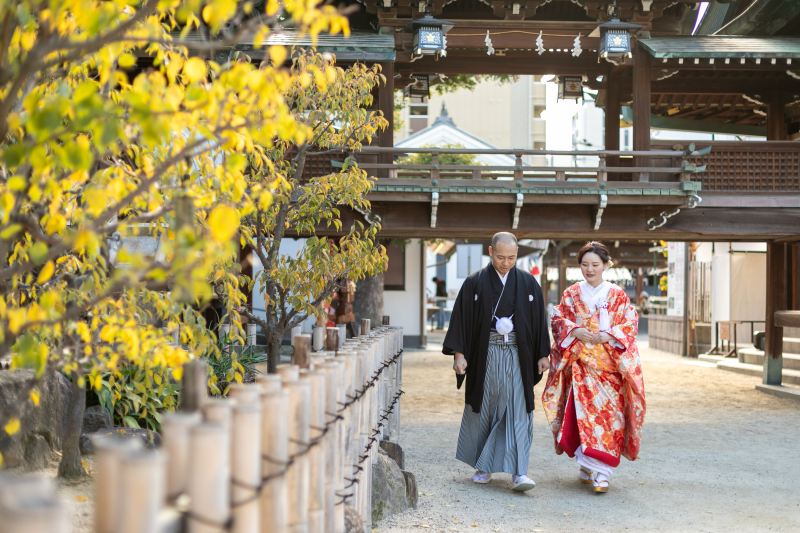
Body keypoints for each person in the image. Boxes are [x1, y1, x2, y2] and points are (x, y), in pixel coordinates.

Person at [443, 232, 550, 492]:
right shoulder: (475, 283)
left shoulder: (527, 282)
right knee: (487, 407)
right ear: (490, 252)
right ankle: (484, 465)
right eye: (501, 257)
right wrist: (459, 355)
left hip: (518, 353)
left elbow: (538, 320)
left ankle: (519, 471)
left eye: (511, 258)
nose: (506, 263)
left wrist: (543, 353)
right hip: (486, 353)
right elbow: (462, 319)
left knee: (518, 407)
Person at [542, 241, 645, 494]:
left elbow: (631, 322)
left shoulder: (617, 295)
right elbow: (557, 319)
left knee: (610, 418)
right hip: (579, 366)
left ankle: (602, 471)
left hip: (609, 367)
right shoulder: (571, 293)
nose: (590, 269)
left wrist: (609, 335)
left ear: (606, 266)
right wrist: (575, 330)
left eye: (595, 265)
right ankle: (590, 466)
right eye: (585, 265)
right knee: (583, 418)